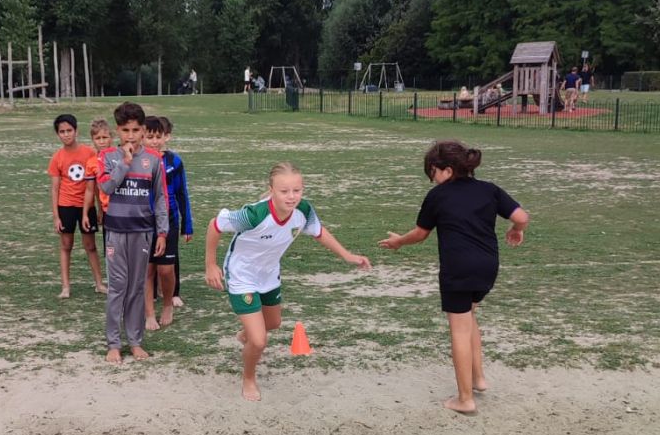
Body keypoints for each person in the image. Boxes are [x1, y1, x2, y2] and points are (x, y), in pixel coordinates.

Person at [379, 140, 529, 416]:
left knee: (459, 329)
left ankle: (465, 399)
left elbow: (420, 234)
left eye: (432, 173)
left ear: (446, 169)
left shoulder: (438, 196)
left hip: (458, 269)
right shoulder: (489, 189)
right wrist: (516, 229)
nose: (432, 179)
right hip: (487, 267)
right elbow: (521, 216)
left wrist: (398, 241)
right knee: (469, 316)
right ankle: (478, 379)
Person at [205, 162, 371, 402]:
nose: (291, 196)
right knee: (259, 341)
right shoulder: (254, 215)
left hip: (269, 273)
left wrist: (347, 255)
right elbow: (215, 225)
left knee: (273, 323)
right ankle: (249, 378)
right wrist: (211, 265)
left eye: (297, 190)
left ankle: (247, 335)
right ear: (271, 190)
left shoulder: (303, 210)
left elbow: (319, 232)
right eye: (284, 191)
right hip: (242, 275)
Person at [97, 102, 168, 363]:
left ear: (143, 131)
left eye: (136, 130)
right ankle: (114, 344)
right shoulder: (107, 157)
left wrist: (162, 232)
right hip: (116, 232)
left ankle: (135, 341)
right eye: (125, 130)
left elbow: (160, 198)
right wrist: (124, 163)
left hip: (143, 231)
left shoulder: (154, 159)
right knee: (117, 287)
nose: (130, 135)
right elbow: (106, 188)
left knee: (137, 287)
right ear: (117, 131)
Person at [143, 116, 193, 330]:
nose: (154, 141)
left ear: (165, 137)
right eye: (149, 137)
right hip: (144, 222)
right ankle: (149, 314)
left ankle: (168, 303)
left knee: (165, 270)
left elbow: (182, 194)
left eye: (158, 137)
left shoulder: (174, 162)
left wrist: (187, 225)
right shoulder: (137, 161)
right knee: (147, 269)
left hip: (169, 220)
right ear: (142, 137)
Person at [48, 113, 105, 299]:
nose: (66, 134)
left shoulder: (89, 153)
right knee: (66, 245)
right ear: (58, 134)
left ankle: (99, 283)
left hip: (86, 207)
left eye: (69, 130)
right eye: (62, 132)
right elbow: (55, 188)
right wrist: (56, 216)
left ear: (76, 131)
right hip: (66, 206)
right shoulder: (57, 158)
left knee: (90, 245)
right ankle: (65, 287)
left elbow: (95, 184)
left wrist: (100, 208)